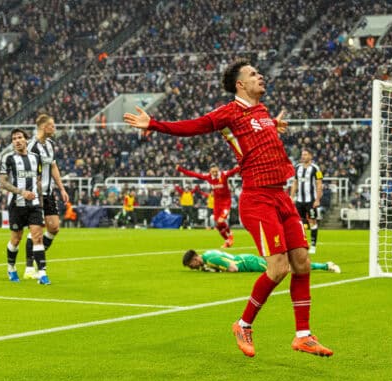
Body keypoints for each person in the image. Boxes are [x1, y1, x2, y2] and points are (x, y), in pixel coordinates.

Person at [124, 59, 333, 357]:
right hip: (258, 199)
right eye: (253, 74)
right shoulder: (228, 112)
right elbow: (194, 126)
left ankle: (303, 335)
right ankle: (243, 324)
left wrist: (273, 125)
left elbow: (256, 135)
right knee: (278, 268)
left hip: (281, 196)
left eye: (259, 72)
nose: (260, 76)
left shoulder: (262, 111)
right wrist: (154, 124)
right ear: (240, 84)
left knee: (302, 263)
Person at [0, 128, 50, 285]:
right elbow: (2, 182)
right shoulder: (8, 158)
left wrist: (41, 201)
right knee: (16, 239)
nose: (17, 140)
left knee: (37, 237)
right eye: (14, 138)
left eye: (20, 137)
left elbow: (38, 181)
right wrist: (21, 191)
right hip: (17, 205)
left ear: (26, 139)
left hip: (34, 205)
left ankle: (42, 274)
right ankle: (11, 268)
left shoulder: (36, 158)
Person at [23, 114, 69, 279]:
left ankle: (36, 259)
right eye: (52, 125)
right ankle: (29, 268)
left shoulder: (50, 144)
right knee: (36, 231)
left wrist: (62, 188)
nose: (54, 128)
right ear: (44, 127)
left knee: (54, 227)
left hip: (49, 193)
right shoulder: (32, 146)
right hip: (35, 194)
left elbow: (54, 167)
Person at [176, 164, 240, 247]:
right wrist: (181, 170)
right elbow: (194, 174)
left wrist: (240, 166)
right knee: (218, 225)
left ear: (218, 170)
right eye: (213, 172)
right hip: (217, 203)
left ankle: (230, 234)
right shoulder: (208, 177)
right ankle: (227, 241)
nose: (215, 173)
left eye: (216, 171)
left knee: (221, 221)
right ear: (210, 172)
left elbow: (234, 171)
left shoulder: (224, 175)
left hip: (226, 202)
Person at [182, 249, 341, 273]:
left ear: (196, 258)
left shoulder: (211, 259)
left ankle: (326, 265)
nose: (193, 268)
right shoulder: (209, 254)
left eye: (192, 265)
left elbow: (232, 268)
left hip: (248, 263)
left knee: (287, 268)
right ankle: (325, 265)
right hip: (246, 259)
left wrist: (214, 271)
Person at [290, 148, 323, 254]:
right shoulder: (297, 167)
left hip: (311, 200)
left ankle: (313, 245)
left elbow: (319, 184)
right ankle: (301, 244)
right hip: (299, 200)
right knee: (298, 222)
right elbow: (295, 183)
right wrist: (291, 196)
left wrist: (317, 199)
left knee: (312, 221)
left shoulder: (316, 168)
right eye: (302, 154)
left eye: (305, 154)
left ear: (310, 156)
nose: (303, 156)